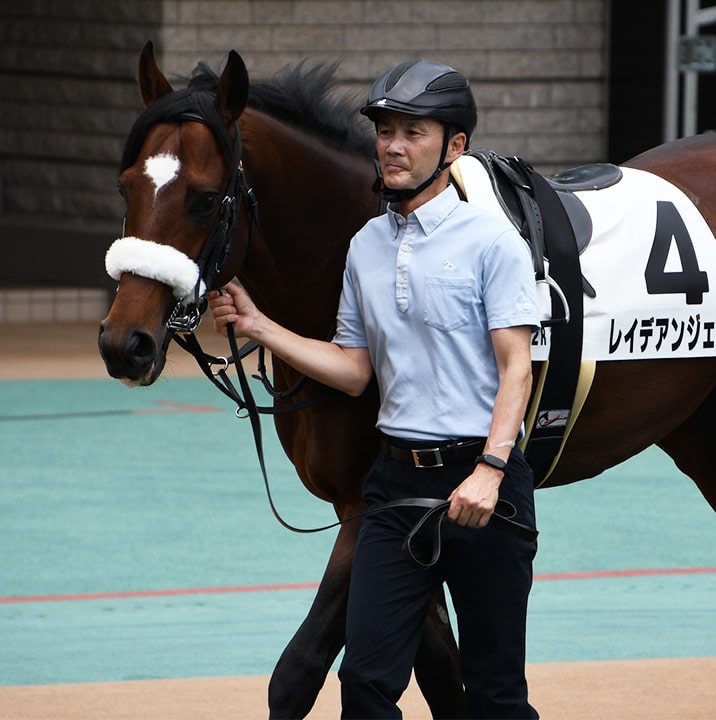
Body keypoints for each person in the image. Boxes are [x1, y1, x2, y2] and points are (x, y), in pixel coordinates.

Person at [208, 59, 541, 718]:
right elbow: (353, 368)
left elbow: (517, 368)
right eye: (386, 131)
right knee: (364, 682)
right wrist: (259, 326)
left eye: (413, 133)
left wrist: (491, 469)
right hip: (393, 486)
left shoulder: (492, 243)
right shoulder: (366, 246)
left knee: (496, 696)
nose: (393, 145)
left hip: (484, 489)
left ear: (454, 146)